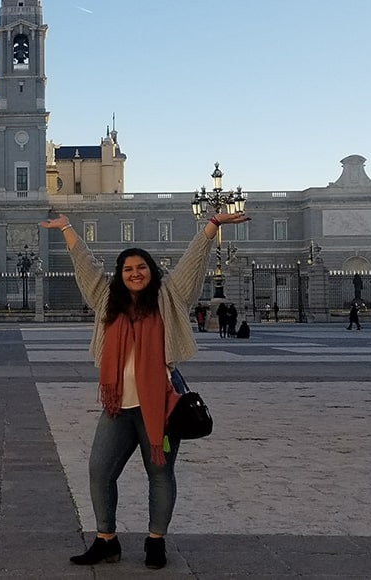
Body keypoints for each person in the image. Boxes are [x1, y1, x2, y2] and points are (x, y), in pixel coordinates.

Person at [43, 208, 250, 569]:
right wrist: (68, 230)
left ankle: (156, 541)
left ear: (151, 271)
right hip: (118, 407)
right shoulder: (107, 301)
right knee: (99, 471)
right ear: (120, 276)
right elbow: (87, 267)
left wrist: (212, 226)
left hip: (161, 407)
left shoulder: (169, 297)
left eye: (141, 268)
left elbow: (191, 264)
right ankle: (106, 539)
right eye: (127, 269)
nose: (135, 274)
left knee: (160, 473)